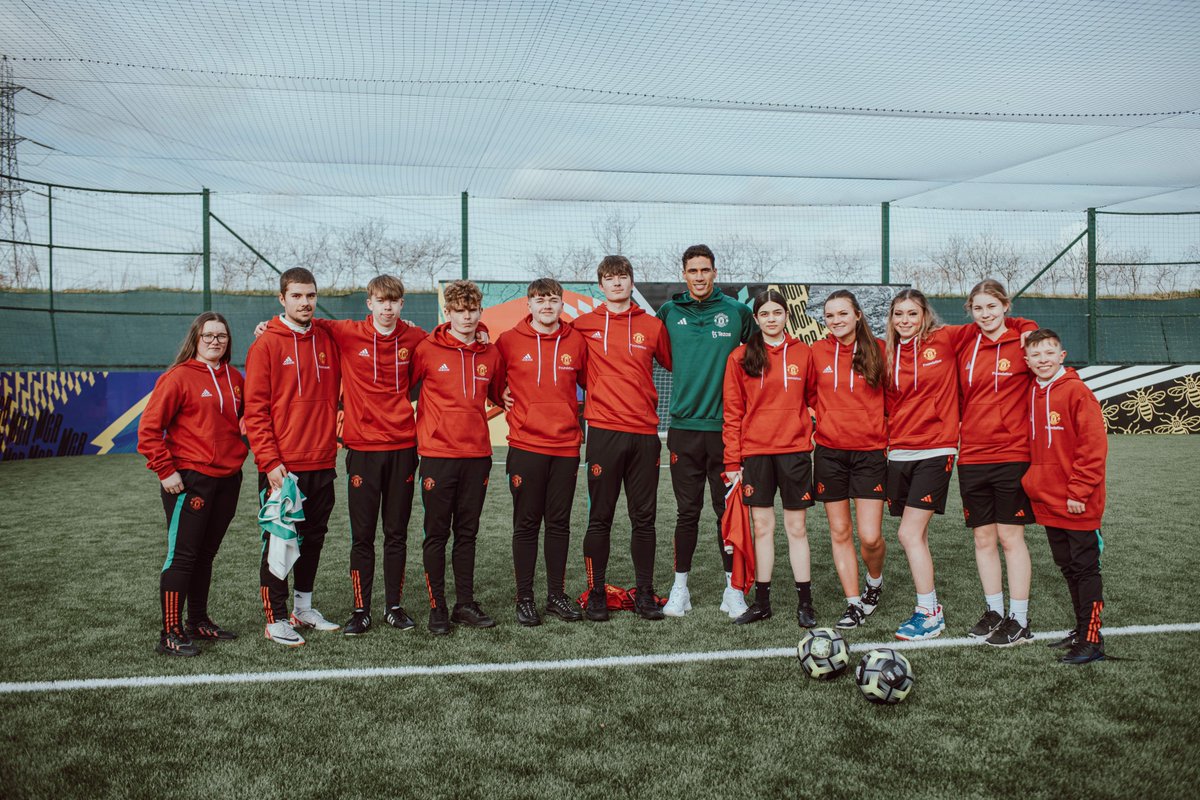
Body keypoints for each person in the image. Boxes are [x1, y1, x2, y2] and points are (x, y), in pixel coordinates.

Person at [315, 275, 425, 635]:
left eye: (394, 301)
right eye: (381, 301)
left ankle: (393, 606)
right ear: (370, 304)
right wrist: (266, 323)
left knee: (396, 533)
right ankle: (361, 609)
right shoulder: (347, 332)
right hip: (362, 450)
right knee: (362, 535)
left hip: (403, 448)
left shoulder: (414, 337)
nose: (388, 307)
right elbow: (302, 321)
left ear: (402, 304)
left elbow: (452, 337)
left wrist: (483, 328)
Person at [138, 312, 248, 656]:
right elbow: (149, 430)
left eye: (222, 336)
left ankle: (197, 621)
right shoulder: (177, 377)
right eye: (209, 336)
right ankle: (169, 633)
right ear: (195, 339)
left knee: (206, 555)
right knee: (182, 556)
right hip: (189, 480)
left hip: (228, 479)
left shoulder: (235, 377)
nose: (215, 341)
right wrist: (165, 470)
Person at [655, 244, 755, 619]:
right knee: (687, 512)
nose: (699, 276)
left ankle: (733, 590)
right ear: (684, 274)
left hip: (727, 432)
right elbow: (658, 355)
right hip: (683, 429)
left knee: (726, 513)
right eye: (692, 270)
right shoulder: (668, 312)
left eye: (705, 270)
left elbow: (759, 355)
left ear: (715, 272)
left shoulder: (737, 312)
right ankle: (680, 590)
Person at [245, 267, 342, 646]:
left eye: (311, 295)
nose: (305, 302)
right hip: (283, 468)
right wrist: (269, 462)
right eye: (297, 296)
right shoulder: (266, 344)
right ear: (282, 299)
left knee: (313, 539)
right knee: (280, 541)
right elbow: (255, 410)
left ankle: (303, 608)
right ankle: (276, 619)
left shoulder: (328, 339)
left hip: (322, 461)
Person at [574, 255, 673, 622]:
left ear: (632, 281)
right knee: (600, 518)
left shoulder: (651, 326)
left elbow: (677, 364)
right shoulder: (583, 325)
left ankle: (645, 592)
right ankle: (597, 592)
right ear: (600, 285)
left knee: (643, 519)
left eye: (622, 277)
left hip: (645, 433)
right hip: (603, 431)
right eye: (609, 278)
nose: (616, 283)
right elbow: (565, 362)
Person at [412, 279, 504, 635]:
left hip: (478, 455)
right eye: (458, 311)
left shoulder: (491, 353)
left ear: (479, 312)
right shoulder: (426, 350)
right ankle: (438, 607)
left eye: (471, 310)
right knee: (436, 534)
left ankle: (464, 603)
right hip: (437, 455)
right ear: (446, 313)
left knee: (467, 533)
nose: (466, 317)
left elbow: (499, 393)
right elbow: (401, 387)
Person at [496, 278, 589, 626]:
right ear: (529, 304)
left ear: (562, 304)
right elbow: (490, 381)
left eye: (552, 300)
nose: (546, 305)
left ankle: (555, 596)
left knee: (559, 523)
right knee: (526, 523)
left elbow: (590, 383)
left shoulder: (577, 341)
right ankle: (524, 599)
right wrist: (499, 397)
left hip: (565, 446)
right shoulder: (507, 341)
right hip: (525, 446)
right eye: (539, 300)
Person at [722, 289, 816, 626]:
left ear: (786, 316)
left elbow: (817, 399)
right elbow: (733, 412)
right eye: (765, 314)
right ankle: (762, 602)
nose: (772, 318)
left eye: (777, 312)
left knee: (796, 527)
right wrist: (732, 462)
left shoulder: (804, 353)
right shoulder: (740, 357)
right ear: (757, 319)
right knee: (762, 527)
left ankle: (805, 603)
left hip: (794, 453)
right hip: (756, 454)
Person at [956, 280, 1040, 647]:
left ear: (1006, 306)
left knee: (1010, 537)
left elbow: (1032, 333)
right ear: (971, 312)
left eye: (992, 306)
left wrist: (1027, 328)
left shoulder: (1023, 341)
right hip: (972, 455)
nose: (986, 314)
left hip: (1012, 454)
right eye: (978, 308)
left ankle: (1019, 619)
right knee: (983, 537)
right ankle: (994, 610)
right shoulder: (964, 342)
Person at [883, 288, 966, 641]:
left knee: (908, 533)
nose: (905, 320)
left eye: (912, 313)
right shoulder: (885, 351)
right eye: (898, 314)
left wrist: (1024, 326)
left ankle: (929, 613)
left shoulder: (946, 339)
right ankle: (928, 605)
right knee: (917, 534)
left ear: (924, 315)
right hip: (898, 452)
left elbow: (989, 323)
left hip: (936, 449)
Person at [1021, 329, 1108, 664]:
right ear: (1027, 361)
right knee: (1068, 567)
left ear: (1062, 355)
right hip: (1047, 499)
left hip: (1077, 501)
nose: (1043, 359)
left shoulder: (1076, 392)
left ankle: (1092, 639)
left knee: (1085, 569)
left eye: (1049, 353)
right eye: (1036, 355)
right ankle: (1080, 628)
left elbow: (1094, 447)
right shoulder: (1033, 391)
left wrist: (1079, 490)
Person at [805, 290, 888, 630]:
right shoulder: (816, 352)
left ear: (857, 315)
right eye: (830, 315)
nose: (836, 320)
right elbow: (810, 394)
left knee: (870, 536)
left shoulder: (880, 349)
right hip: (829, 453)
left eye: (842, 313)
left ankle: (875, 581)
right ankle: (853, 603)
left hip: (870, 453)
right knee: (840, 531)